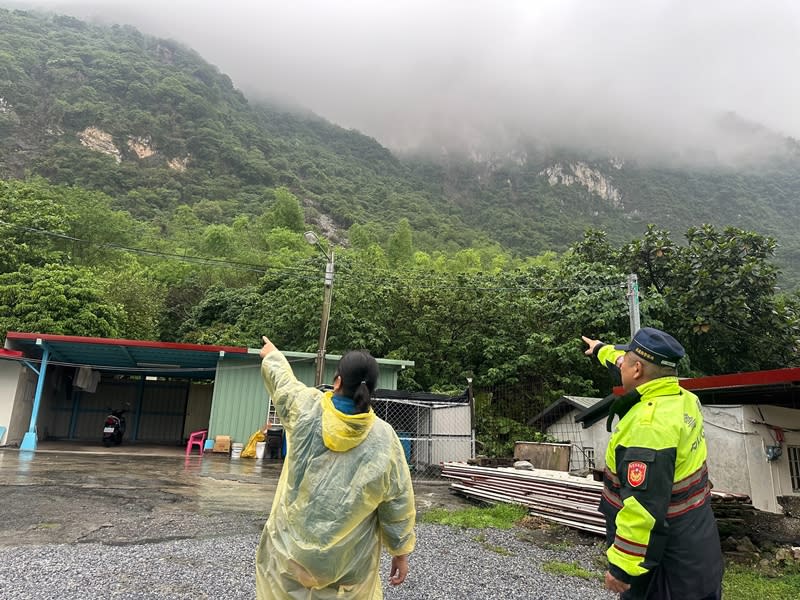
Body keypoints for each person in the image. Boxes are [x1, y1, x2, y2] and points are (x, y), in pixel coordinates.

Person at [255, 335, 416, 599]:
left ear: (338, 380)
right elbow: (397, 502)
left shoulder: (307, 410)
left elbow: (284, 385)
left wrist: (272, 355)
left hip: (290, 556)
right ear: (372, 389)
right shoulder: (384, 438)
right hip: (350, 564)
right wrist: (400, 553)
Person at [581, 327, 723, 600]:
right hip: (697, 543)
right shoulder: (684, 399)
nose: (621, 363)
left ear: (637, 371)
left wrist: (622, 569)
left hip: (663, 561)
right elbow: (622, 361)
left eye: (627, 361)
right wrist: (600, 349)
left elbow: (643, 507)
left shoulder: (648, 428)